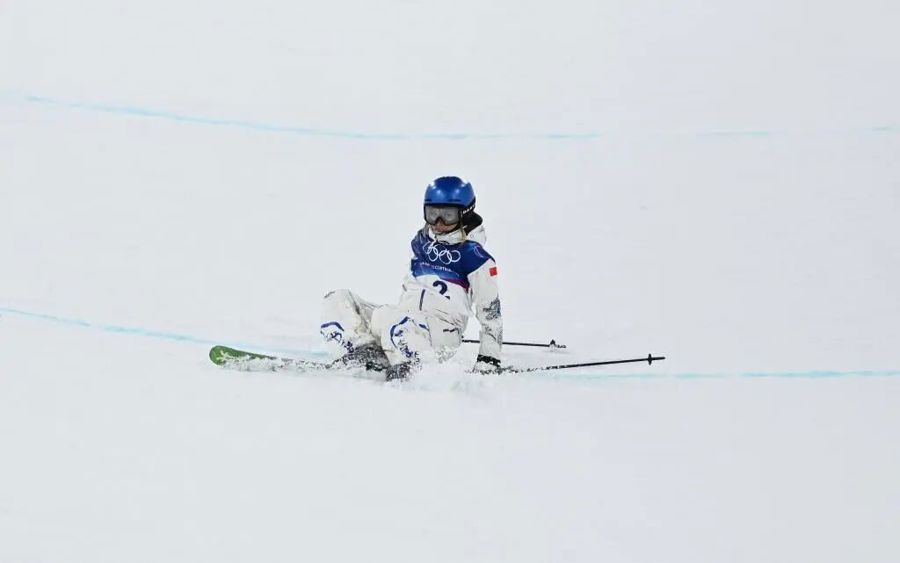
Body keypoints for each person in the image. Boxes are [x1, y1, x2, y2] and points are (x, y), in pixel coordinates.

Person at [319, 176, 503, 381]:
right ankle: (366, 354)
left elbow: (491, 313)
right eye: (432, 214)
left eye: (448, 216)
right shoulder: (421, 241)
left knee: (389, 318)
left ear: (465, 213)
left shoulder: (476, 258)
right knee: (338, 300)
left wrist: (489, 360)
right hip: (403, 321)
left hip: (440, 333)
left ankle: (412, 365)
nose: (438, 223)